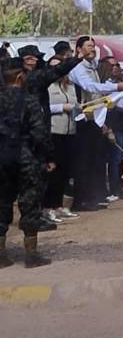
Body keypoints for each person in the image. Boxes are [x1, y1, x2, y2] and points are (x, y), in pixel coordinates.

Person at [68, 37, 123, 211]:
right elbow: (90, 87)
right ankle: (80, 200)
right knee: (84, 162)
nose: (93, 49)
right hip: (82, 120)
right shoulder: (77, 68)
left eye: (94, 46)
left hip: (95, 119)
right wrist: (115, 87)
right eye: (88, 46)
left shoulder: (93, 67)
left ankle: (93, 197)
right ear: (79, 49)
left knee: (96, 160)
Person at [0, 59, 52, 268]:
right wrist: (48, 156)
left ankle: (1, 256)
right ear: (20, 77)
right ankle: (31, 255)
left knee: (2, 203)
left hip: (2, 157)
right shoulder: (29, 100)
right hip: (26, 157)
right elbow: (40, 133)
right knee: (30, 204)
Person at [43, 57, 81, 222]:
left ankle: (59, 206)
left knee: (66, 170)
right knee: (53, 172)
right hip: (53, 132)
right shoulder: (46, 87)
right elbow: (42, 107)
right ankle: (47, 207)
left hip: (70, 132)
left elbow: (75, 104)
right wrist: (61, 108)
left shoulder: (71, 86)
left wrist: (79, 109)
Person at [98, 56, 123, 200]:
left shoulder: (119, 83)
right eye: (111, 65)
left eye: (117, 65)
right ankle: (112, 189)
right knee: (113, 159)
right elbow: (118, 104)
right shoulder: (105, 86)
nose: (115, 68)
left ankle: (117, 185)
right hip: (112, 125)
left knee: (119, 159)